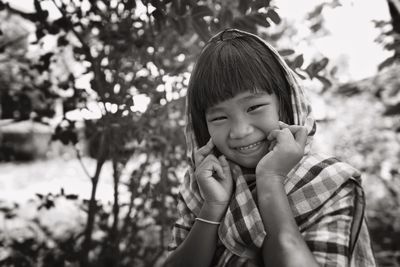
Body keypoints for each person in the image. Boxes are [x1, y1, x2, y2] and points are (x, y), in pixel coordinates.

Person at [164, 29, 376, 267]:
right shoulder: (201, 185)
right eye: (219, 118)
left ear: (284, 105)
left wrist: (271, 180)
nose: (239, 131)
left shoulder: (329, 181)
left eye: (254, 107)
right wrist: (212, 208)